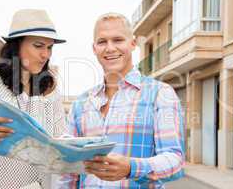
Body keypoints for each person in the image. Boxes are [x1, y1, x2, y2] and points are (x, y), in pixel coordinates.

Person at [62, 13, 185, 188]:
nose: (110, 48)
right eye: (102, 42)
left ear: (133, 43)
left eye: (118, 40)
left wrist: (131, 168)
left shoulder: (160, 94)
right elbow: (70, 172)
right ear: (94, 48)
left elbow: (175, 161)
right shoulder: (81, 103)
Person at [0, 9, 67, 189]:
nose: (46, 55)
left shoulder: (51, 88)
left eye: (49, 47)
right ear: (16, 45)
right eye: (38, 45)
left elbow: (59, 141)